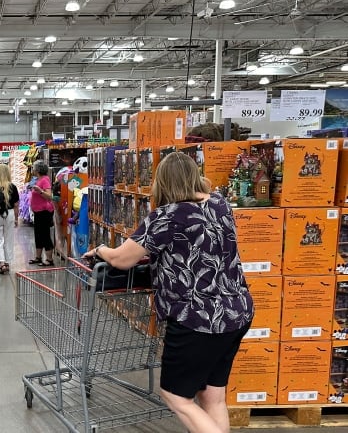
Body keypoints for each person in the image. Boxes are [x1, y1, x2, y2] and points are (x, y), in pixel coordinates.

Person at [82, 152, 254, 433]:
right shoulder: (220, 204)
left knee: (176, 396)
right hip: (237, 311)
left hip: (197, 319)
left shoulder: (166, 216)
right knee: (212, 397)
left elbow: (122, 259)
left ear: (162, 182)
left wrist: (101, 250)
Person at [28, 160, 55, 266]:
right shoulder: (37, 179)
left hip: (44, 212)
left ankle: (49, 259)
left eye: (34, 168)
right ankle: (38, 257)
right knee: (38, 235)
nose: (33, 170)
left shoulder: (45, 180)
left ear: (38, 169)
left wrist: (40, 191)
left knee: (45, 235)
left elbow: (49, 196)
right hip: (38, 212)